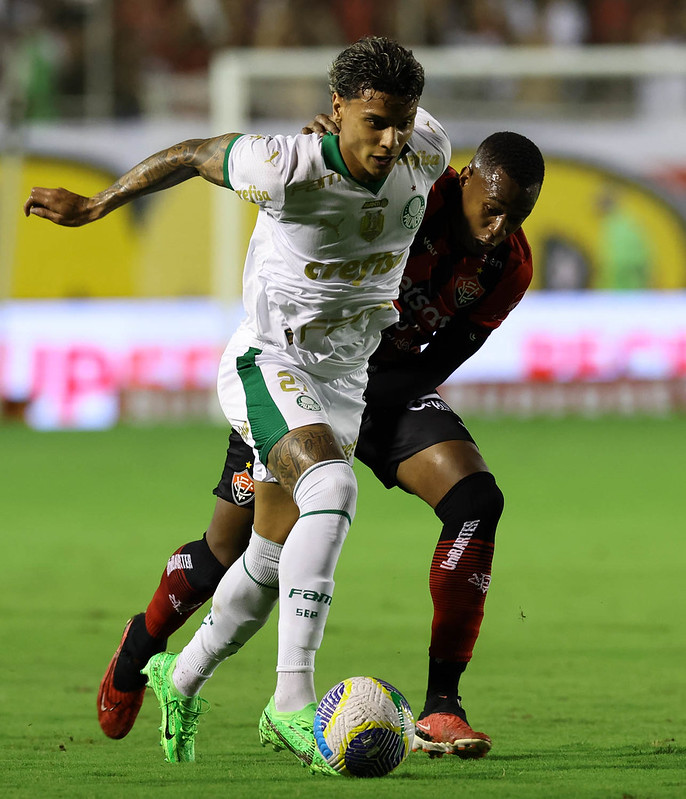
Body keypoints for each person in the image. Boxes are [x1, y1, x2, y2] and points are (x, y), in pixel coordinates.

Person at [24, 37, 451, 773]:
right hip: (270, 359)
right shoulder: (284, 166)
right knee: (334, 486)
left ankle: (178, 675)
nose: (390, 140)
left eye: (401, 121)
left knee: (267, 556)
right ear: (338, 108)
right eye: (375, 121)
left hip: (344, 377)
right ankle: (292, 702)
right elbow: (192, 152)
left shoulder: (427, 148)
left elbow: (426, 150)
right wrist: (97, 204)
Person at [92, 130, 544, 763]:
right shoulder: (409, 193)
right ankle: (142, 649)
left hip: (382, 388)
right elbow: (357, 152)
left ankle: (442, 703)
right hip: (304, 370)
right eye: (492, 208)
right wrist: (329, 141)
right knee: (229, 553)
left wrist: (357, 405)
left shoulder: (509, 267)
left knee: (476, 500)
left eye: (516, 215)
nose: (500, 227)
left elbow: (440, 359)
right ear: (466, 179)